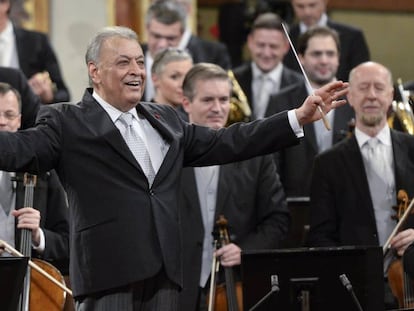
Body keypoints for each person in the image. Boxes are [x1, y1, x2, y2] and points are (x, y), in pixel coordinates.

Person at [0, 26, 347, 310]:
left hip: (166, 277)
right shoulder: (67, 121)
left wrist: (295, 118)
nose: (136, 71)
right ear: (95, 71)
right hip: (108, 278)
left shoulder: (164, 118)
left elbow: (228, 141)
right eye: (123, 63)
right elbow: (19, 149)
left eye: (139, 62)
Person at [178, 63, 290, 311]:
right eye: (208, 100)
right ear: (186, 103)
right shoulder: (168, 153)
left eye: (224, 99)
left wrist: (245, 251)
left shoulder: (255, 157)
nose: (218, 108)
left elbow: (277, 219)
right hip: (176, 288)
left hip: (234, 288)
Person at [307, 62, 414, 309]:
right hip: (356, 290)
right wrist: (352, 270)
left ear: (390, 96)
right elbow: (321, 236)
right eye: (363, 88)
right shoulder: (327, 163)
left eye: (379, 88)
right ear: (351, 97)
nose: (372, 95)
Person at [269, 26, 354, 197]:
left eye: (330, 54)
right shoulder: (280, 101)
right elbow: (273, 160)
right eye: (316, 54)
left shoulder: (355, 100)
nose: (324, 60)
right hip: (297, 202)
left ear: (338, 58)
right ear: (301, 58)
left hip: (347, 202)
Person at [0, 82, 69, 273]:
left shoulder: (44, 171)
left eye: (9, 115)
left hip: (30, 288)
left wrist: (39, 236)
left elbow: (67, 241)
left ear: (19, 120)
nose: (2, 121)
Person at [142, 0, 231, 101]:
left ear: (182, 34)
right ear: (147, 29)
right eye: (156, 36)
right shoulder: (131, 57)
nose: (162, 44)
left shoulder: (212, 55)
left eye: (170, 38)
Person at [232, 12, 303, 120]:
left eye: (273, 46)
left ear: (286, 47)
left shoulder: (300, 85)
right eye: (261, 45)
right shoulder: (232, 80)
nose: (266, 53)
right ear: (250, 42)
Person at [0, 0, 70, 104]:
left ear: (5, 4)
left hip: (28, 117)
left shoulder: (36, 42)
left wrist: (48, 96)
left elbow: (63, 94)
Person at [284, 0, 370, 82]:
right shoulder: (285, 36)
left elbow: (362, 76)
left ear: (325, 2)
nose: (307, 12)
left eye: (312, 5)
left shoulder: (352, 36)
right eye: (300, 6)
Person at [151, 47, 193, 120]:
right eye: (174, 77)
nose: (183, 84)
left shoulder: (190, 119)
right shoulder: (143, 118)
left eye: (188, 76)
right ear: (156, 79)